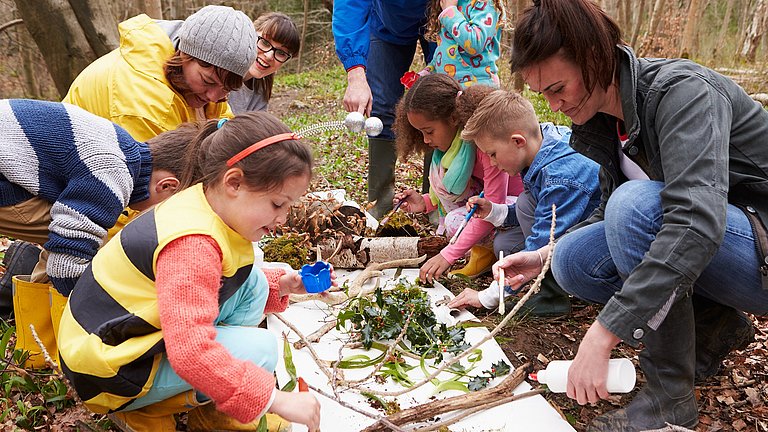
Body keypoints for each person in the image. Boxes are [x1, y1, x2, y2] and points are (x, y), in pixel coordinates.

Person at [493, 0, 768, 430]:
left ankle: (667, 400)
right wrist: (545, 254)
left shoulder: (682, 93)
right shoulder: (602, 120)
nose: (553, 106)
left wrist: (604, 333)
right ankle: (713, 325)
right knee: (573, 259)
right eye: (543, 94)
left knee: (635, 207)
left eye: (558, 89)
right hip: (727, 242)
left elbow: (694, 223)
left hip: (759, 243)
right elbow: (608, 216)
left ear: (595, 57)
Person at [57, 111, 322, 431]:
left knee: (251, 281)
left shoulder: (205, 203)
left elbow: (217, 283)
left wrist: (280, 286)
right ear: (234, 182)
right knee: (260, 350)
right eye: (278, 204)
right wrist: (274, 399)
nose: (282, 219)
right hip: (108, 369)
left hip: (121, 336)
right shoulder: (192, 244)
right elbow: (190, 352)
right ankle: (145, 410)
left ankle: (211, 399)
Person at [0, 99, 191, 369]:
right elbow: (66, 264)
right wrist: (101, 311)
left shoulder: (123, 148)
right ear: (167, 185)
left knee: (72, 232)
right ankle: (69, 358)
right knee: (78, 245)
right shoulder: (112, 174)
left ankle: (38, 352)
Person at [447, 90, 600, 315]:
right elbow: (537, 208)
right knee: (506, 242)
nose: (491, 162)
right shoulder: (540, 142)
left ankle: (551, 295)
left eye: (493, 154)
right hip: (572, 227)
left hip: (595, 247)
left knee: (526, 204)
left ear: (517, 141)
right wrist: (494, 211)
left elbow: (544, 241)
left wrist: (487, 297)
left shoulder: (560, 177)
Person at [63, 5, 256, 142]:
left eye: (227, 89)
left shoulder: (199, 87)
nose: (214, 97)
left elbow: (224, 129)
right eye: (207, 81)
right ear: (185, 54)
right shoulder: (143, 99)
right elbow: (151, 187)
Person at [392, 74, 511, 281]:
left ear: (454, 118)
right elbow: (465, 195)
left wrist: (447, 255)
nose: (426, 140)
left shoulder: (483, 144)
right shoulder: (448, 153)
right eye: (420, 133)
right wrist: (425, 201)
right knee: (456, 221)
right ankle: (484, 251)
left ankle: (491, 252)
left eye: (429, 131)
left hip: (519, 209)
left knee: (455, 222)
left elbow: (492, 205)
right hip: (496, 208)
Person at [333, 0, 436, 219]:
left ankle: (436, 200)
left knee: (440, 102)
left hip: (444, 18)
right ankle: (380, 200)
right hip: (386, 24)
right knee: (380, 103)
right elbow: (350, 6)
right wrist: (355, 72)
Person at [228, 12, 300, 114]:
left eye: (281, 52)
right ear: (250, 33)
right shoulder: (217, 73)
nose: (269, 56)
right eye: (265, 42)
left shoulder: (260, 92)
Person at [423, 0, 505, 87]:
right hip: (449, 86)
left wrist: (450, 11)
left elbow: (475, 44)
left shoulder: (486, 3)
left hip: (479, 87)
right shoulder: (451, 2)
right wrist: (429, 71)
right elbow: (445, 49)